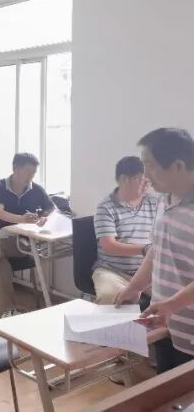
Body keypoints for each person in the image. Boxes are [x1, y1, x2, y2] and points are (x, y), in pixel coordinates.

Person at [115, 128, 194, 373]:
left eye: (150, 165)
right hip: (164, 323)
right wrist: (134, 287)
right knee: (167, 388)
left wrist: (172, 304)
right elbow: (157, 250)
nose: (145, 176)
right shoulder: (165, 199)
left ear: (178, 166)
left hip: (189, 331)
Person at [0, 153, 55, 318]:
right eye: (28, 173)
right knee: (1, 259)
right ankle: (8, 311)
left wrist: (44, 217)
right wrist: (22, 219)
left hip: (21, 241)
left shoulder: (36, 190)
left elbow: (51, 208)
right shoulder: (0, 186)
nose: (31, 177)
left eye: (33, 173)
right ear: (15, 169)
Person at [92, 157, 159, 305]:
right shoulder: (105, 207)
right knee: (112, 297)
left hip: (146, 271)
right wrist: (145, 249)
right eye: (142, 179)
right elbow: (109, 246)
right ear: (124, 180)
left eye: (148, 179)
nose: (148, 184)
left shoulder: (155, 203)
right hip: (112, 271)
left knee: (174, 292)